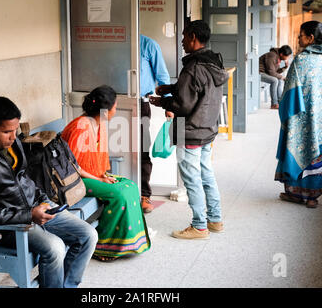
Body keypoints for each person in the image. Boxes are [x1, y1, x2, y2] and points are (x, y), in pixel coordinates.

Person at [0, 96, 98, 288]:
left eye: (15, 130)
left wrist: (43, 200)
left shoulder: (12, 143)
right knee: (55, 248)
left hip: (35, 208)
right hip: (7, 225)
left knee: (88, 235)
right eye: (6, 132)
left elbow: (24, 179)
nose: (14, 137)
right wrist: (28, 215)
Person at [150, 20, 228, 240]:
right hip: (207, 129)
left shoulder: (193, 67)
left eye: (184, 36)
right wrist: (172, 88)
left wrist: (162, 102)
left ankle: (199, 226)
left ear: (193, 37)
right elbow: (197, 90)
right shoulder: (213, 62)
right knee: (206, 174)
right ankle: (215, 220)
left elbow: (183, 104)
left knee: (192, 179)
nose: (182, 41)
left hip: (190, 130)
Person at [61, 85, 151, 261]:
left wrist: (103, 175)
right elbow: (72, 167)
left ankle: (128, 242)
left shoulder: (98, 123)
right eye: (115, 107)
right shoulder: (81, 127)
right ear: (105, 110)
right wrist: (99, 179)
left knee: (130, 186)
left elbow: (97, 160)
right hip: (74, 181)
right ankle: (102, 246)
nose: (115, 111)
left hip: (91, 175)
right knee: (118, 195)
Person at [275, 21, 322, 209]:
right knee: (318, 154)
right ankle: (312, 197)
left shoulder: (301, 60)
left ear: (311, 38)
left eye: (301, 35)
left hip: (301, 118)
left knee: (299, 147)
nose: (298, 39)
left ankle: (296, 193)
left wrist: (285, 110)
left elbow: (290, 90)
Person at [139, 34, 172, 213]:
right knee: (115, 148)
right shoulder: (116, 40)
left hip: (141, 104)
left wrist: (168, 103)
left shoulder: (147, 44)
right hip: (115, 101)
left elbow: (162, 75)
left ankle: (144, 194)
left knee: (142, 149)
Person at [259, 45, 293, 109]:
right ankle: (274, 104)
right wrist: (282, 77)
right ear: (281, 54)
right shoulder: (272, 56)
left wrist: (285, 67)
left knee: (279, 80)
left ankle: (280, 101)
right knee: (275, 80)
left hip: (266, 72)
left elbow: (276, 72)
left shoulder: (277, 57)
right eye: (287, 56)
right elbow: (271, 72)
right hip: (259, 73)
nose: (288, 58)